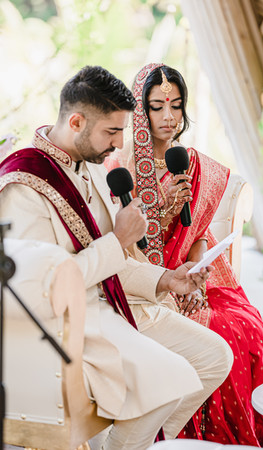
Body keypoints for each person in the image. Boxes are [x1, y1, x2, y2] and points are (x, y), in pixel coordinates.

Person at [0, 65, 233, 450]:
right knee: (167, 381)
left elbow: (112, 262)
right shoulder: (23, 187)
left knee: (212, 360)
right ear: (76, 121)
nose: (119, 143)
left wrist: (164, 279)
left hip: (116, 303)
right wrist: (118, 240)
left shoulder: (82, 166)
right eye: (111, 131)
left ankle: (131, 442)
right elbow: (42, 291)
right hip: (69, 324)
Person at [105, 63, 263, 449]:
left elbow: (198, 230)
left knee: (248, 328)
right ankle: (184, 437)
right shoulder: (120, 169)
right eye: (157, 106)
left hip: (193, 273)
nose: (169, 117)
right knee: (219, 334)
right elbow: (125, 245)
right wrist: (161, 207)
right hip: (147, 280)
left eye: (176, 105)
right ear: (140, 110)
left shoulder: (193, 163)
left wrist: (197, 266)